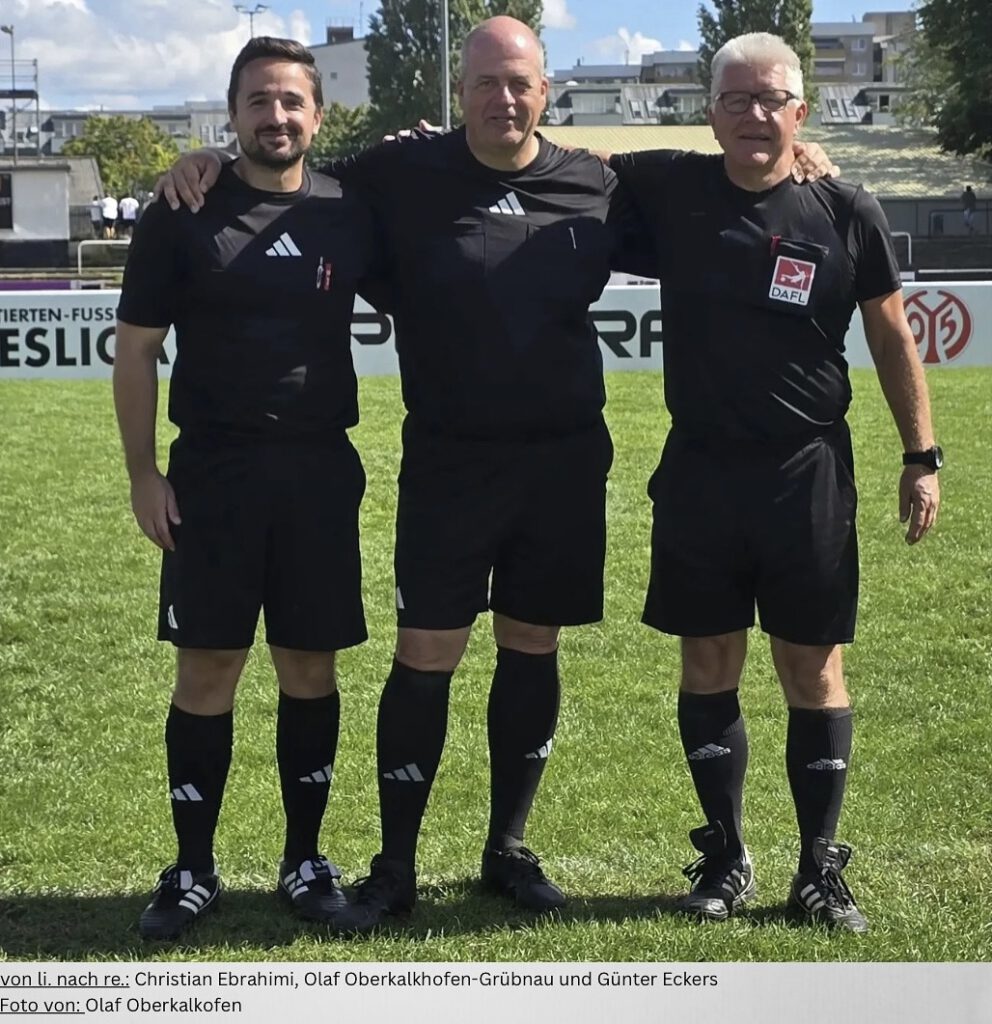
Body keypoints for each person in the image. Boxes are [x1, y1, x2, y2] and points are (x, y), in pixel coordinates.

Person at [156, 18, 836, 937]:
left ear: (544, 93)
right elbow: (285, 162)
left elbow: (720, 178)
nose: (503, 99)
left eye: (520, 84)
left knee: (531, 645)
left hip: (561, 462)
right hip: (447, 462)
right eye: (485, 83)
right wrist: (202, 158)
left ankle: (507, 848)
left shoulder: (598, 183)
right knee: (425, 651)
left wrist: (799, 151)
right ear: (461, 93)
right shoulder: (400, 172)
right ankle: (395, 865)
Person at [609, 32, 941, 934]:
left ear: (802, 110)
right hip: (700, 472)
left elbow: (891, 335)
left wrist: (921, 455)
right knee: (708, 661)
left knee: (812, 667)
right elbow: (555, 155)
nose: (755, 114)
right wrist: (443, 145)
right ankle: (725, 857)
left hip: (808, 473)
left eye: (772, 100)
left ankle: (817, 870)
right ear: (710, 112)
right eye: (737, 99)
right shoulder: (672, 188)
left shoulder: (845, 208)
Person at [114, 36, 380, 941]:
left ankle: (305, 860)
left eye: (292, 101)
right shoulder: (182, 210)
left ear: (318, 115)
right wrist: (144, 474)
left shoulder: (349, 208)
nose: (277, 116)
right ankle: (192, 868)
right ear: (231, 115)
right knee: (208, 669)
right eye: (258, 101)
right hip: (213, 477)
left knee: (310, 667)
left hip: (318, 474)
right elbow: (138, 351)